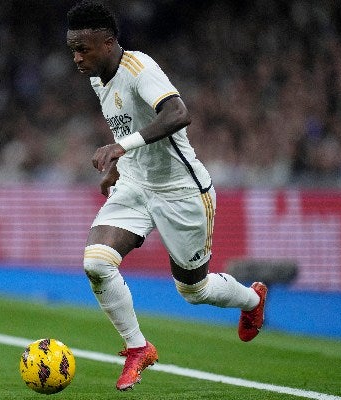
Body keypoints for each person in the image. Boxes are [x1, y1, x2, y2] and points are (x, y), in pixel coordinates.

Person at [66, 1, 267, 391]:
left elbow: (178, 113)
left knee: (195, 290)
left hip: (182, 191)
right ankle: (138, 348)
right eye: (72, 48)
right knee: (96, 263)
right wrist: (117, 167)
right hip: (136, 186)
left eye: (83, 48)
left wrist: (120, 148)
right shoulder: (97, 77)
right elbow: (127, 121)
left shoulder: (140, 69)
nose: (76, 57)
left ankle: (253, 300)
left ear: (108, 43)